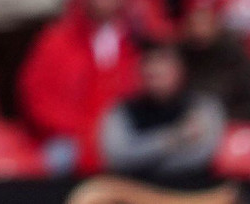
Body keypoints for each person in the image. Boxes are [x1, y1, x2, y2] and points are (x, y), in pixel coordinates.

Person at [18, 0, 144, 175]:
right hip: (67, 141)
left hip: (123, 143)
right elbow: (35, 97)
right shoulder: (56, 40)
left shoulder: (138, 44)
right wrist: (82, 133)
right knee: (57, 158)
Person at [66, 45, 236, 204]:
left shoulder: (202, 106)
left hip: (193, 191)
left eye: (162, 65)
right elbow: (117, 156)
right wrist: (174, 138)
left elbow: (200, 155)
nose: (155, 72)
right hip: (130, 192)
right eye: (149, 66)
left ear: (180, 70)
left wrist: (144, 156)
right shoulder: (123, 111)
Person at [178, 0, 250, 121]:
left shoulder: (235, 54)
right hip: (187, 125)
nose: (199, 28)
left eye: (204, 21)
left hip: (230, 123)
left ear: (217, 22)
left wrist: (219, 121)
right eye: (193, 21)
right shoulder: (180, 54)